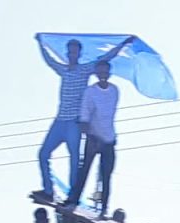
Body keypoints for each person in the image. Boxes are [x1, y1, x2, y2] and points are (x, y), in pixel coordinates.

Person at [37, 36, 133, 196]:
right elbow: (49, 61)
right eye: (70, 52)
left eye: (75, 52)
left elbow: (105, 58)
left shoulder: (84, 70)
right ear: (67, 54)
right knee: (43, 154)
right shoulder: (63, 70)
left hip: (74, 122)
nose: (72, 55)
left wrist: (123, 44)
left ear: (79, 54)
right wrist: (40, 43)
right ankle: (48, 190)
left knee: (75, 159)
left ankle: (72, 196)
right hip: (60, 120)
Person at [65, 60, 123, 214]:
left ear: (109, 73)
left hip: (109, 139)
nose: (102, 75)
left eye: (105, 71)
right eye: (100, 72)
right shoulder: (90, 92)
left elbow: (108, 115)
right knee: (84, 170)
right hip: (93, 138)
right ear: (96, 73)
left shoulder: (114, 90)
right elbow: (84, 116)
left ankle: (104, 208)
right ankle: (73, 200)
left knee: (106, 175)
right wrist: (90, 135)